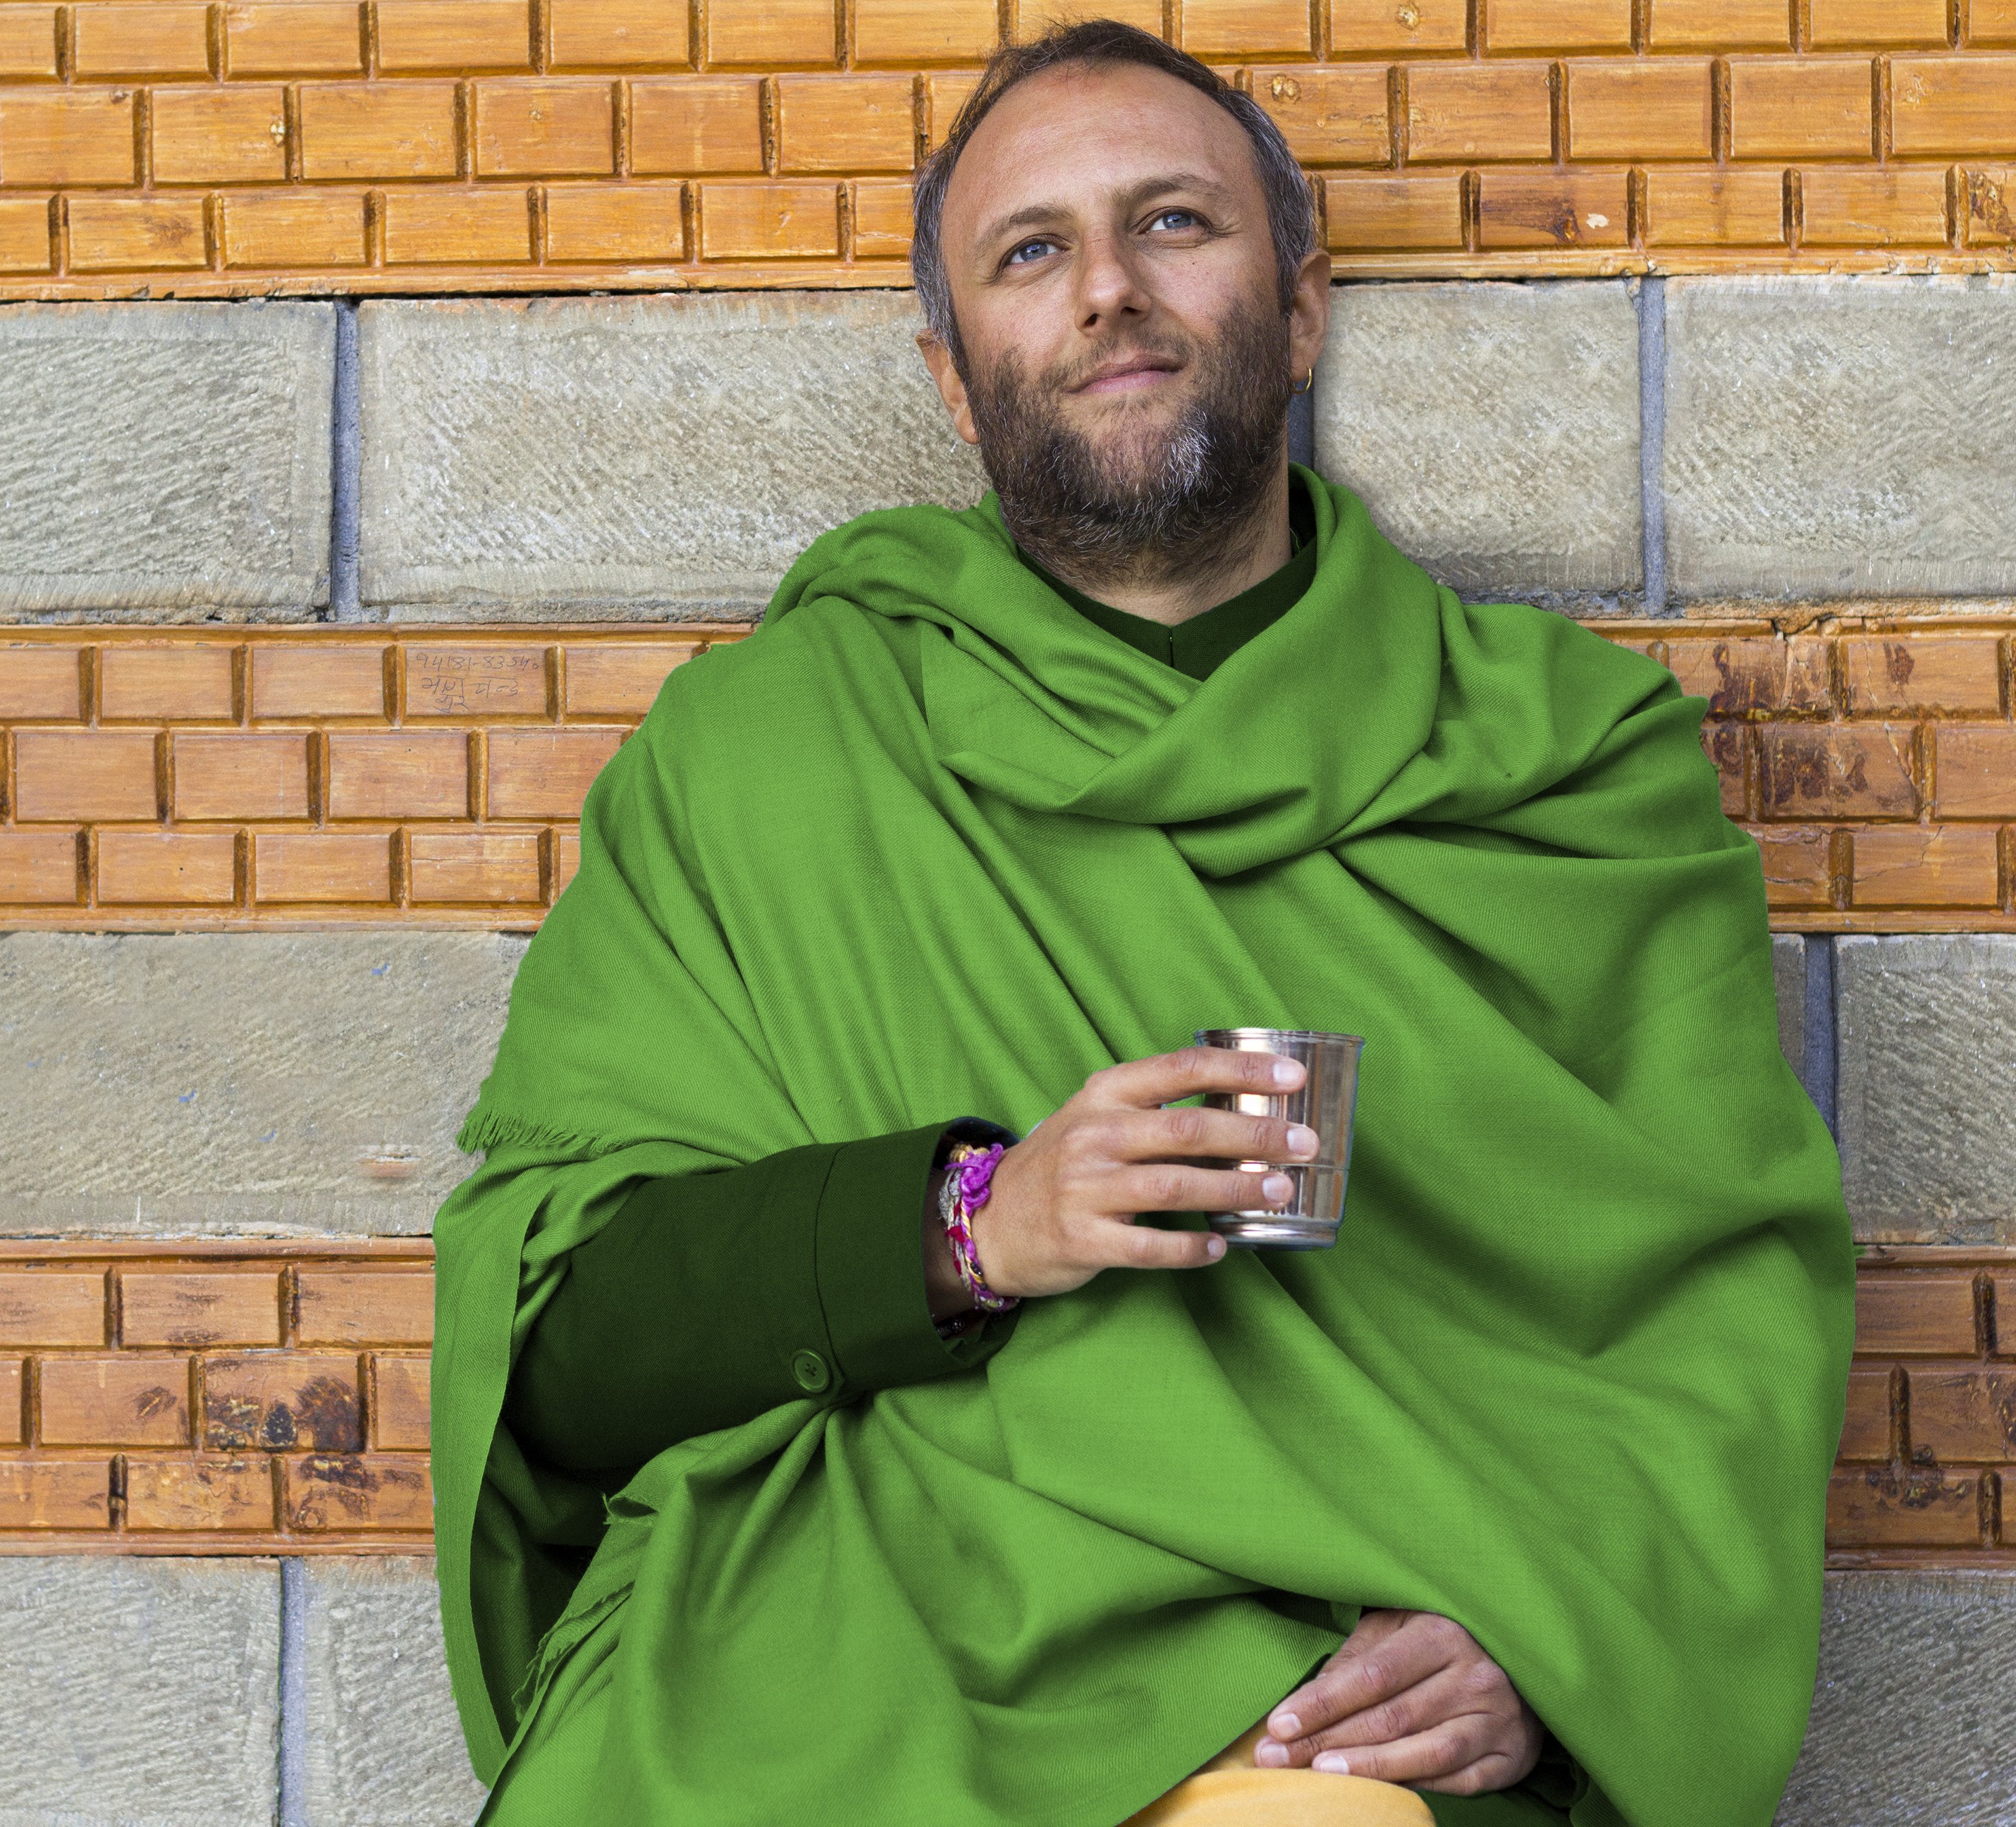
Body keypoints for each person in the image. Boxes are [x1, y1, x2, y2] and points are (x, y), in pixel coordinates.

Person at [429, 19, 1852, 1826]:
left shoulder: (1575, 769)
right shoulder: (768, 755)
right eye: (1033, 252)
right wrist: (970, 1223)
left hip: (1335, 1709)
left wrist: (1553, 1642)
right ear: (956, 382)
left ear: (1304, 306)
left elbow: (1731, 1326)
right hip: (846, 1678)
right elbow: (557, 1345)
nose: (1107, 290)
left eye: (1173, 223)